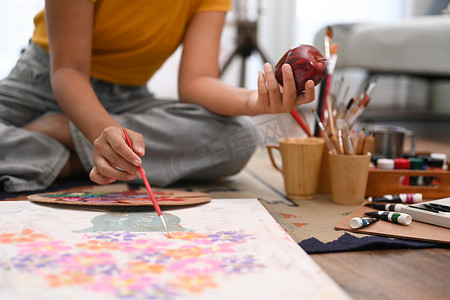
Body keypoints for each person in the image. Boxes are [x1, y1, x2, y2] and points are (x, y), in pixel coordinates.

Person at [0, 0, 315, 192]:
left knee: (239, 139)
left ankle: (63, 135)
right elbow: (68, 70)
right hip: (43, 85)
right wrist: (99, 130)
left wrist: (254, 102)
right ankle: (82, 151)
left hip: (128, 98)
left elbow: (197, 81)